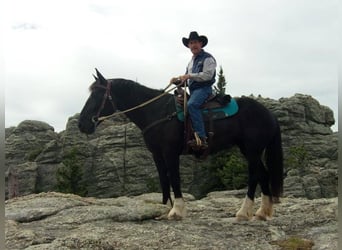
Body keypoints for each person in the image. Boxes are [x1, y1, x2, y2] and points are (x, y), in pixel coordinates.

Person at [171, 31, 217, 149]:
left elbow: (208, 75)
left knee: (192, 105)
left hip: (204, 89)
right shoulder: (190, 62)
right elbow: (187, 80)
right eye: (191, 43)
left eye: (195, 42)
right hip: (194, 90)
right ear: (189, 46)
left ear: (201, 43)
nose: (193, 45)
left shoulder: (208, 58)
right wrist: (177, 81)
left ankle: (201, 138)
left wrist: (189, 76)